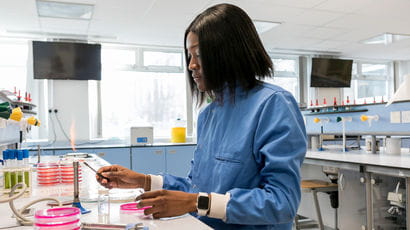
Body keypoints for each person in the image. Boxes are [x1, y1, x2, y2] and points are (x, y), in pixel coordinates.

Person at [97, 3, 307, 230]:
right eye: (189, 55)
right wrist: (143, 181)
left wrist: (196, 202)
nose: (191, 65)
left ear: (229, 53)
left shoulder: (273, 104)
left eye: (199, 54)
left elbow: (283, 202)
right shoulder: (208, 114)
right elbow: (196, 187)